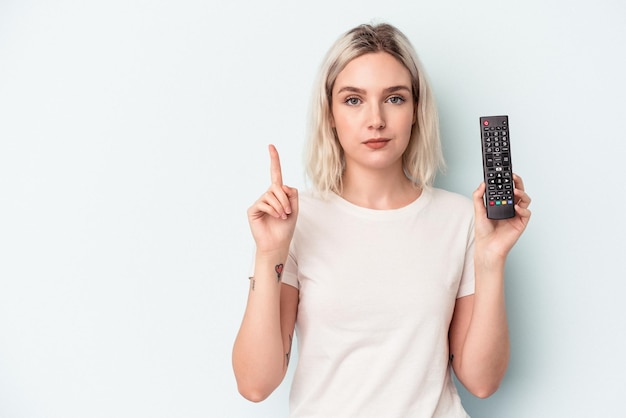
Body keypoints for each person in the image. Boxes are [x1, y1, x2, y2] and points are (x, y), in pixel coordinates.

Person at [232, 22, 531, 418]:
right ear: (331, 114)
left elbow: (481, 381)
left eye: (394, 98)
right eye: (353, 100)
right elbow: (255, 384)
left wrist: (491, 260)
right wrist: (269, 252)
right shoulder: (296, 220)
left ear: (415, 111)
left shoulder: (460, 218)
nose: (375, 119)